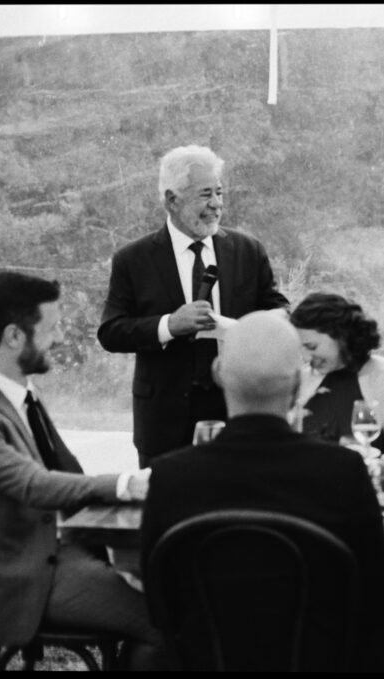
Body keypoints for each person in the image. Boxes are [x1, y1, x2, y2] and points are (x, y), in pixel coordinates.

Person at [139, 310, 384, 671]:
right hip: (317, 660)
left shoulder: (171, 475)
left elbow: (161, 606)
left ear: (218, 373)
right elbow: (374, 597)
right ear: (296, 385)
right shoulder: (343, 471)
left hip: (208, 660)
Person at [0, 271, 164, 670]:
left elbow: (63, 471)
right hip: (22, 576)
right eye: (52, 328)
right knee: (168, 619)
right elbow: (32, 484)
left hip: (61, 551)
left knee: (173, 599)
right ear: (13, 336)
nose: (61, 338)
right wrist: (125, 484)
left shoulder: (22, 394)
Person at [97, 145, 289, 468]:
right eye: (205, 194)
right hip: (164, 425)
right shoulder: (133, 259)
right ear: (172, 200)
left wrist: (247, 330)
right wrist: (169, 325)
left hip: (238, 413)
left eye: (219, 192)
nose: (216, 204)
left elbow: (281, 312)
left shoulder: (248, 250)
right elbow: (111, 332)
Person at [290, 292, 384, 454]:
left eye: (311, 347)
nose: (306, 357)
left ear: (341, 337)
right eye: (300, 348)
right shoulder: (300, 378)